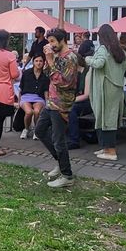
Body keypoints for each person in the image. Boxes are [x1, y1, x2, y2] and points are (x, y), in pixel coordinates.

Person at [37, 28, 79, 189]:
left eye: (53, 41)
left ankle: (67, 175)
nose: (51, 45)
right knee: (40, 130)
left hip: (61, 104)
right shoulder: (57, 56)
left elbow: (63, 82)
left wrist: (50, 59)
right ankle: (61, 163)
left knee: (58, 140)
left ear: (62, 40)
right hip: (52, 102)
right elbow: (48, 73)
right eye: (49, 42)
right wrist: (49, 59)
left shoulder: (70, 58)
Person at [86, 24, 126, 162]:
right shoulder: (118, 49)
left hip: (104, 89)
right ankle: (105, 148)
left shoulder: (103, 49)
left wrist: (88, 59)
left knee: (105, 119)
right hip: (116, 90)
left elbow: (99, 64)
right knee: (109, 118)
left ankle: (111, 152)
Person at [67, 30, 96, 149]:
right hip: (78, 99)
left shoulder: (87, 72)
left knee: (71, 109)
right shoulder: (73, 73)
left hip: (88, 102)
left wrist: (71, 100)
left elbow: (86, 95)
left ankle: (74, 140)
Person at [17, 54, 49, 139]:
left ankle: (36, 130)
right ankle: (26, 129)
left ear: (44, 62)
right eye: (36, 61)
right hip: (26, 96)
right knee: (29, 112)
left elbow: (46, 91)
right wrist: (18, 102)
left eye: (41, 61)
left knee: (37, 111)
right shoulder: (26, 73)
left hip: (39, 97)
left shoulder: (45, 75)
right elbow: (21, 88)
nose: (38, 63)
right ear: (33, 62)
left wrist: (47, 103)